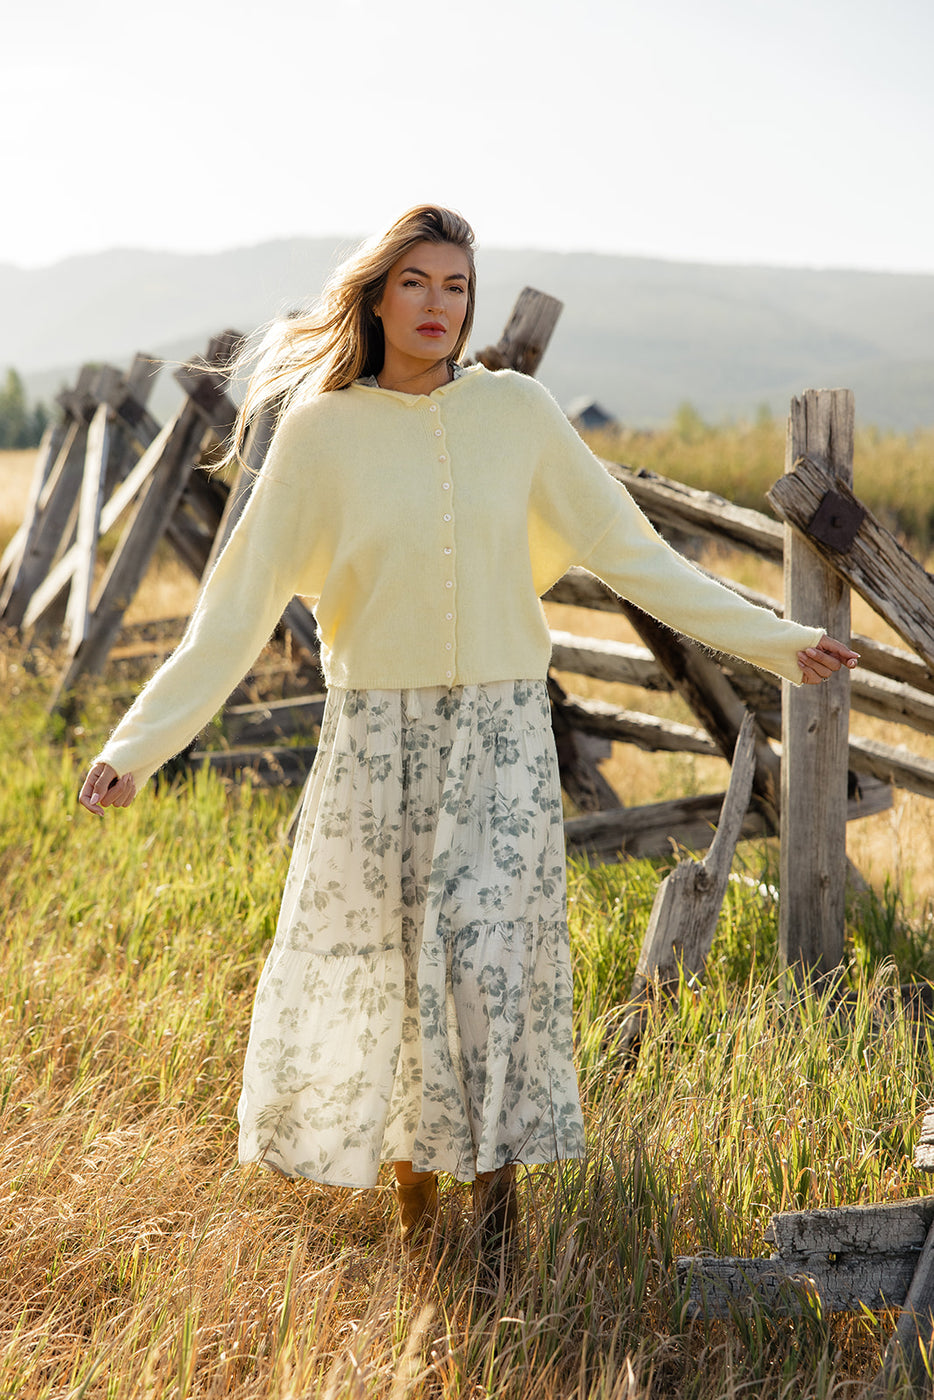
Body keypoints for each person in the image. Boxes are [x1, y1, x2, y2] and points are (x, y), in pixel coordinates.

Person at [78, 204, 858, 1265]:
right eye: (416, 283)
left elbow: (636, 556)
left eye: (456, 286)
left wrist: (776, 641)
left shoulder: (518, 413)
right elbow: (234, 609)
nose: (438, 305)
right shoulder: (319, 431)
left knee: (496, 977)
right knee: (403, 982)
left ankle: (495, 1225)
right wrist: (135, 745)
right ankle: (416, 1225)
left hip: (500, 744)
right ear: (374, 296)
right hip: (377, 747)